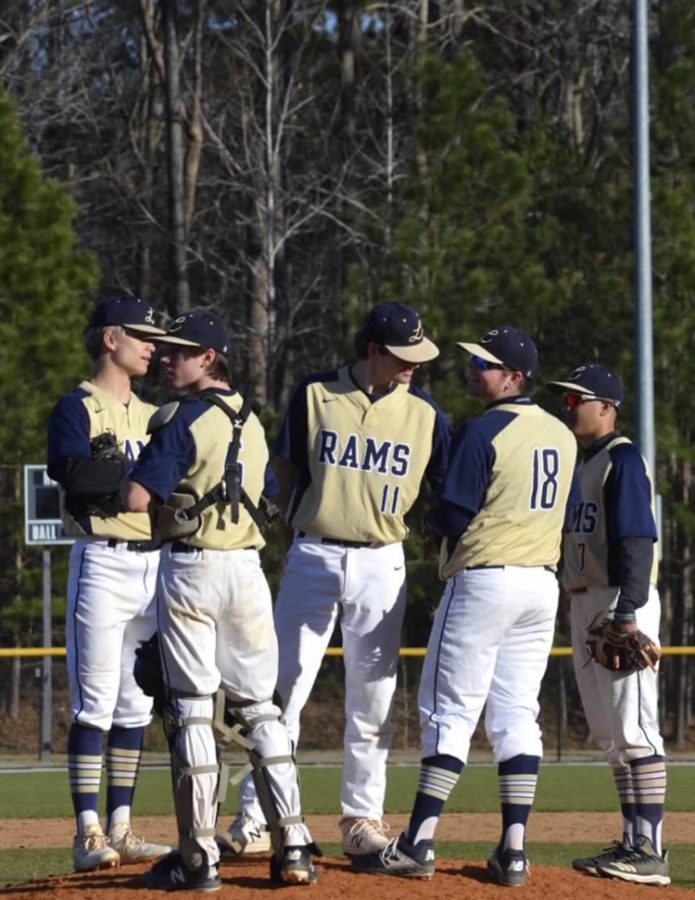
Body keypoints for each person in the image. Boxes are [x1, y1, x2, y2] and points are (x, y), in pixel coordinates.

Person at [353, 325, 578, 885]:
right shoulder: (563, 435)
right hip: (539, 584)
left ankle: (418, 842)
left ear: (515, 377)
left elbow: (453, 513)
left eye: (486, 364)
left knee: (448, 711)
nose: (475, 369)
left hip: (485, 579)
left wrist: (431, 526)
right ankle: (514, 850)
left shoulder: (485, 431)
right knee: (516, 716)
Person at [225, 302, 450, 860]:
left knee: (372, 700)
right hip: (315, 552)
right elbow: (283, 469)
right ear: (373, 350)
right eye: (402, 357)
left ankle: (361, 819)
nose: (412, 367)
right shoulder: (314, 393)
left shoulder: (425, 413)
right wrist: (286, 520)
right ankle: (259, 815)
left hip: (382, 557)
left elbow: (444, 490)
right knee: (279, 693)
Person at [123, 309, 319, 892]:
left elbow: (137, 497)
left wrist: (118, 476)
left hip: (193, 571)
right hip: (248, 573)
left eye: (179, 351)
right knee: (260, 709)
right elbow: (274, 491)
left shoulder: (180, 418)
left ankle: (198, 856)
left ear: (209, 358)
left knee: (191, 711)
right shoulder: (253, 420)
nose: (165, 357)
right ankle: (295, 847)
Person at [47, 295, 172, 872]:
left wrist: (117, 474)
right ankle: (87, 832)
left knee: (135, 705)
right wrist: (136, 474)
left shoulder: (152, 416)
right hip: (102, 558)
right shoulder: (78, 406)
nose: (153, 345)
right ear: (109, 339)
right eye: (142, 335)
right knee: (94, 703)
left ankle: (121, 827)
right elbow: (74, 476)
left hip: (154, 562)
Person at [546, 363, 669, 886]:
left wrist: (627, 611)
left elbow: (638, 539)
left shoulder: (621, 459)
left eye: (579, 399)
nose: (569, 406)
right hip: (583, 598)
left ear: (607, 406)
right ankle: (630, 839)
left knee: (636, 729)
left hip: (619, 600)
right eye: (568, 399)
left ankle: (651, 849)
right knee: (609, 734)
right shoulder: (580, 462)